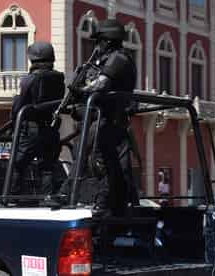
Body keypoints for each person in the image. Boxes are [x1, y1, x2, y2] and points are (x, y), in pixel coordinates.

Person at [67, 19, 138, 216]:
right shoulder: (99, 61)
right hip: (97, 118)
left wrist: (80, 90)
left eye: (99, 41)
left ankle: (105, 198)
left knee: (100, 158)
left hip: (110, 119)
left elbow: (100, 85)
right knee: (82, 153)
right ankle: (74, 191)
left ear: (108, 41)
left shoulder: (119, 58)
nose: (96, 45)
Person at [10, 41, 65, 195]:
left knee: (17, 165)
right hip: (51, 128)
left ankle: (11, 198)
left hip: (31, 130)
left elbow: (19, 106)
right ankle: (47, 198)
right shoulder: (59, 78)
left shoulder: (30, 79)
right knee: (47, 167)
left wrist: (15, 120)